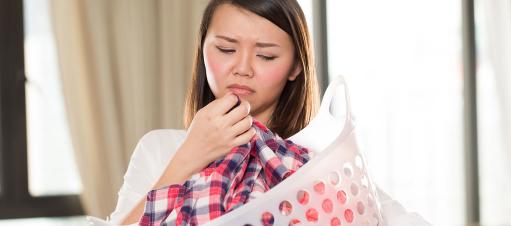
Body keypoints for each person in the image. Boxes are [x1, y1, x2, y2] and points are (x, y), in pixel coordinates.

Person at [109, 0, 431, 225]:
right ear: (202, 49)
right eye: (225, 49)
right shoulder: (159, 149)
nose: (242, 68)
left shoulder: (319, 162)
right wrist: (189, 157)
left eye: (265, 56)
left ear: (295, 67)